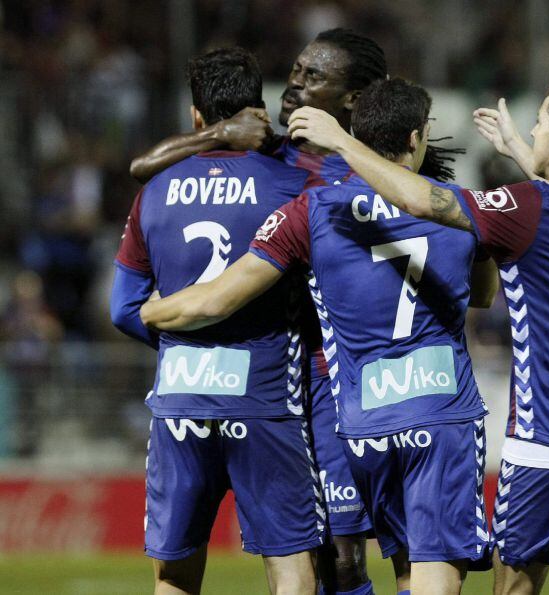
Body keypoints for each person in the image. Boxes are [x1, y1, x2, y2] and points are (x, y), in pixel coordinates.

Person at [287, 75, 549, 595]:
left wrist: (342, 141)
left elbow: (426, 202)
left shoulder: (528, 208)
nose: (529, 132)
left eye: (538, 125)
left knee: (513, 587)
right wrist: (517, 149)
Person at [140, 78, 499, 595]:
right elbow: (482, 295)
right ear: (419, 137)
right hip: (441, 415)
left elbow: (216, 299)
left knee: (351, 564)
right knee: (427, 575)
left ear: (354, 131)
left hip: (364, 424)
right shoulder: (461, 208)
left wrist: (154, 310)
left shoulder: (309, 212)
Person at [130, 29, 389, 595]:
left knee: (345, 559)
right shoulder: (271, 158)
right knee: (304, 555)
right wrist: (219, 134)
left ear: (352, 98)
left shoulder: (367, 174)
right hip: (281, 376)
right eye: (296, 69)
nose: (295, 81)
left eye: (314, 75)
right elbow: (144, 166)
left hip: (336, 382)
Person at [110, 47, 322, 595]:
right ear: (257, 110)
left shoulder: (153, 190)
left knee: (175, 573)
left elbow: (121, 309)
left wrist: (181, 336)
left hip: (179, 399)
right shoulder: (293, 183)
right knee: (291, 566)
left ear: (196, 117)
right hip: (266, 398)